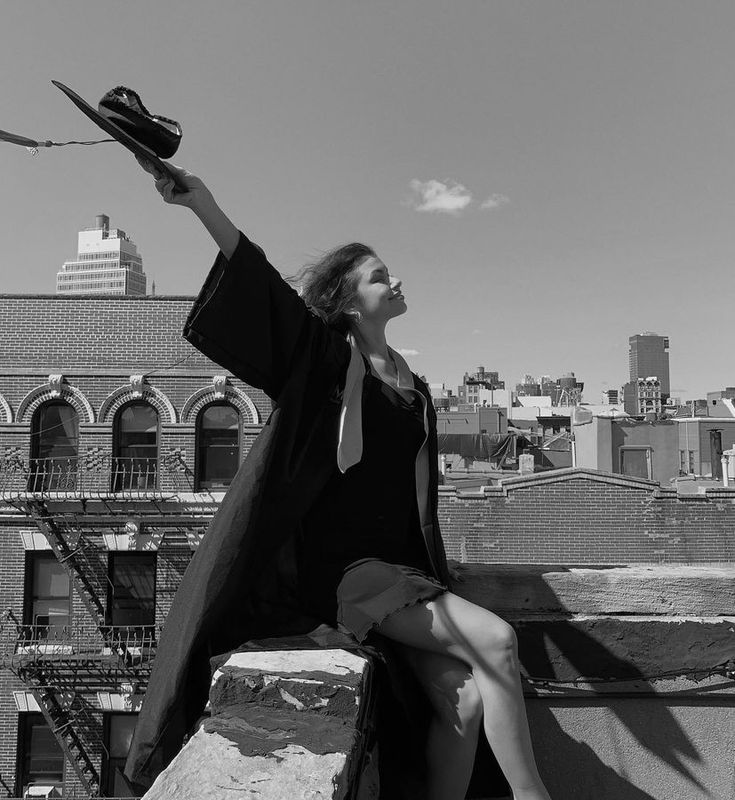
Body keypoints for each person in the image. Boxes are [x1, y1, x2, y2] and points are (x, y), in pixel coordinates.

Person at [127, 158, 553, 800]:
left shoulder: (411, 384)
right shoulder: (331, 365)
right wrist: (203, 206)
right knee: (496, 640)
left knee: (463, 702)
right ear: (350, 302)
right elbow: (267, 291)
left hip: (403, 571)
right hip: (350, 574)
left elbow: (416, 500)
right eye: (380, 276)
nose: (397, 279)